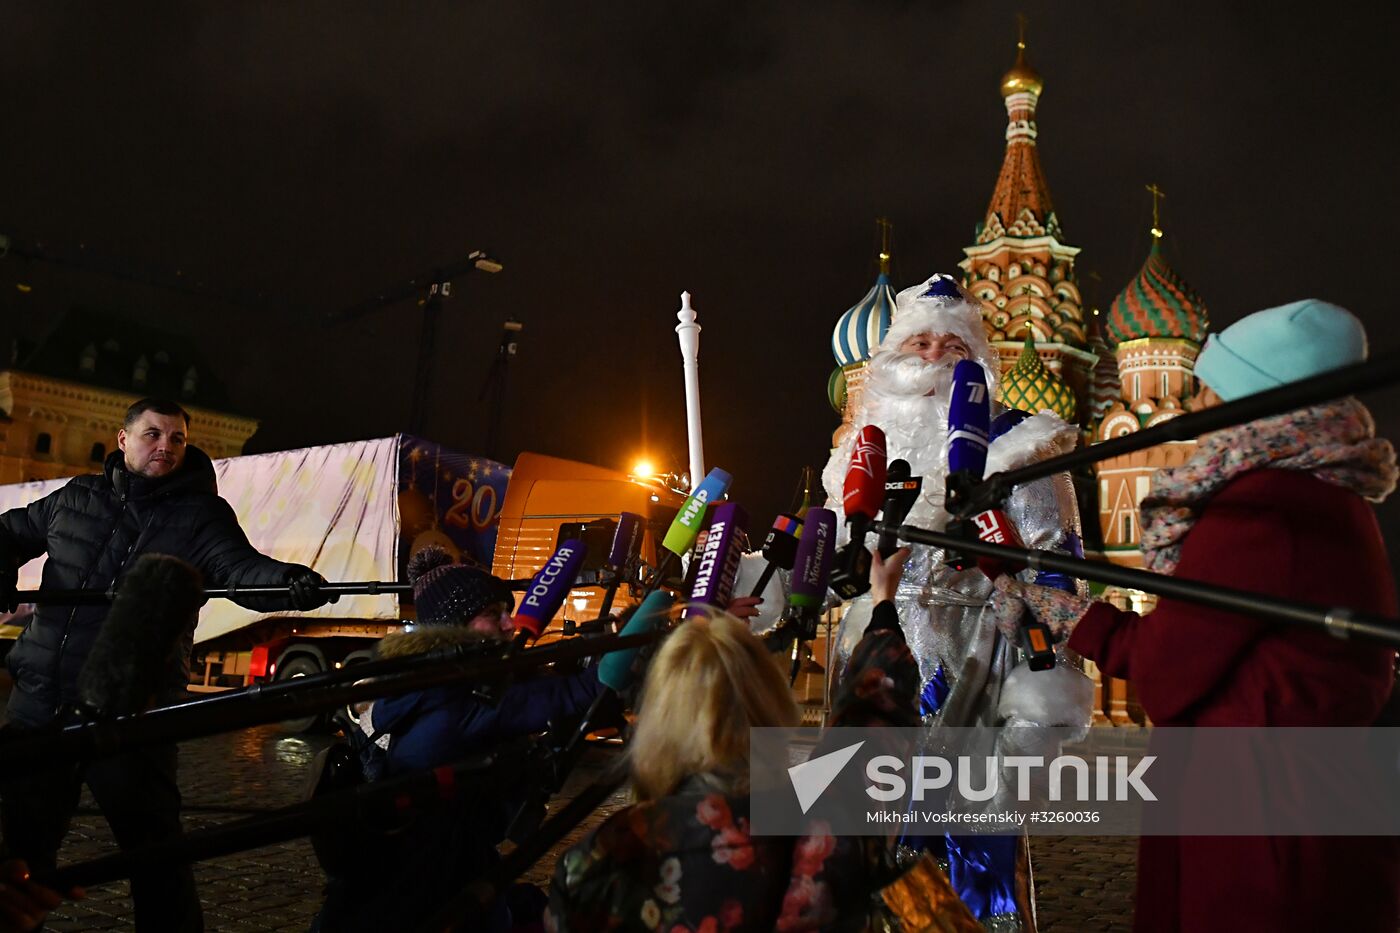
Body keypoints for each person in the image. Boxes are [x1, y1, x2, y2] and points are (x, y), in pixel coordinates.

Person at [991, 299, 1400, 932]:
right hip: (1303, 810)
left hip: (1261, 832)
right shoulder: (1325, 491)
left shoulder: (1261, 506)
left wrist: (1067, 612)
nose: (1198, 410)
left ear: (1254, 401)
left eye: (1211, 391)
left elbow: (1165, 673)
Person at [0, 397, 334, 932]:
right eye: (154, 434)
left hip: (136, 709)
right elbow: (9, 533)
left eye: (177, 438)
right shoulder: (77, 496)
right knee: (21, 853)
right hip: (42, 699)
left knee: (155, 853)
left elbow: (240, 569)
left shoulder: (200, 513)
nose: (166, 446)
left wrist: (286, 581)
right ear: (123, 439)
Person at [821, 273, 1091, 929]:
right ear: (891, 357)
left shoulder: (1016, 446)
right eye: (919, 341)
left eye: (952, 343)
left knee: (971, 839)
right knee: (861, 840)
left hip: (975, 669)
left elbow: (1055, 564)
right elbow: (829, 564)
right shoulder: (862, 454)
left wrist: (1039, 668)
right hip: (876, 666)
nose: (935, 354)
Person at [545, 547, 941, 933]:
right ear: (769, 702)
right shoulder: (821, 815)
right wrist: (882, 602)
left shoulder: (600, 859)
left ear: (658, 716)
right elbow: (874, 714)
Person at [313, 546, 606, 933]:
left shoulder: (431, 680)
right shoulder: (455, 700)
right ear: (453, 628)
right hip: (423, 898)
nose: (510, 625)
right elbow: (567, 697)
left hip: (420, 880)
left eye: (508, 612)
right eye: (492, 615)